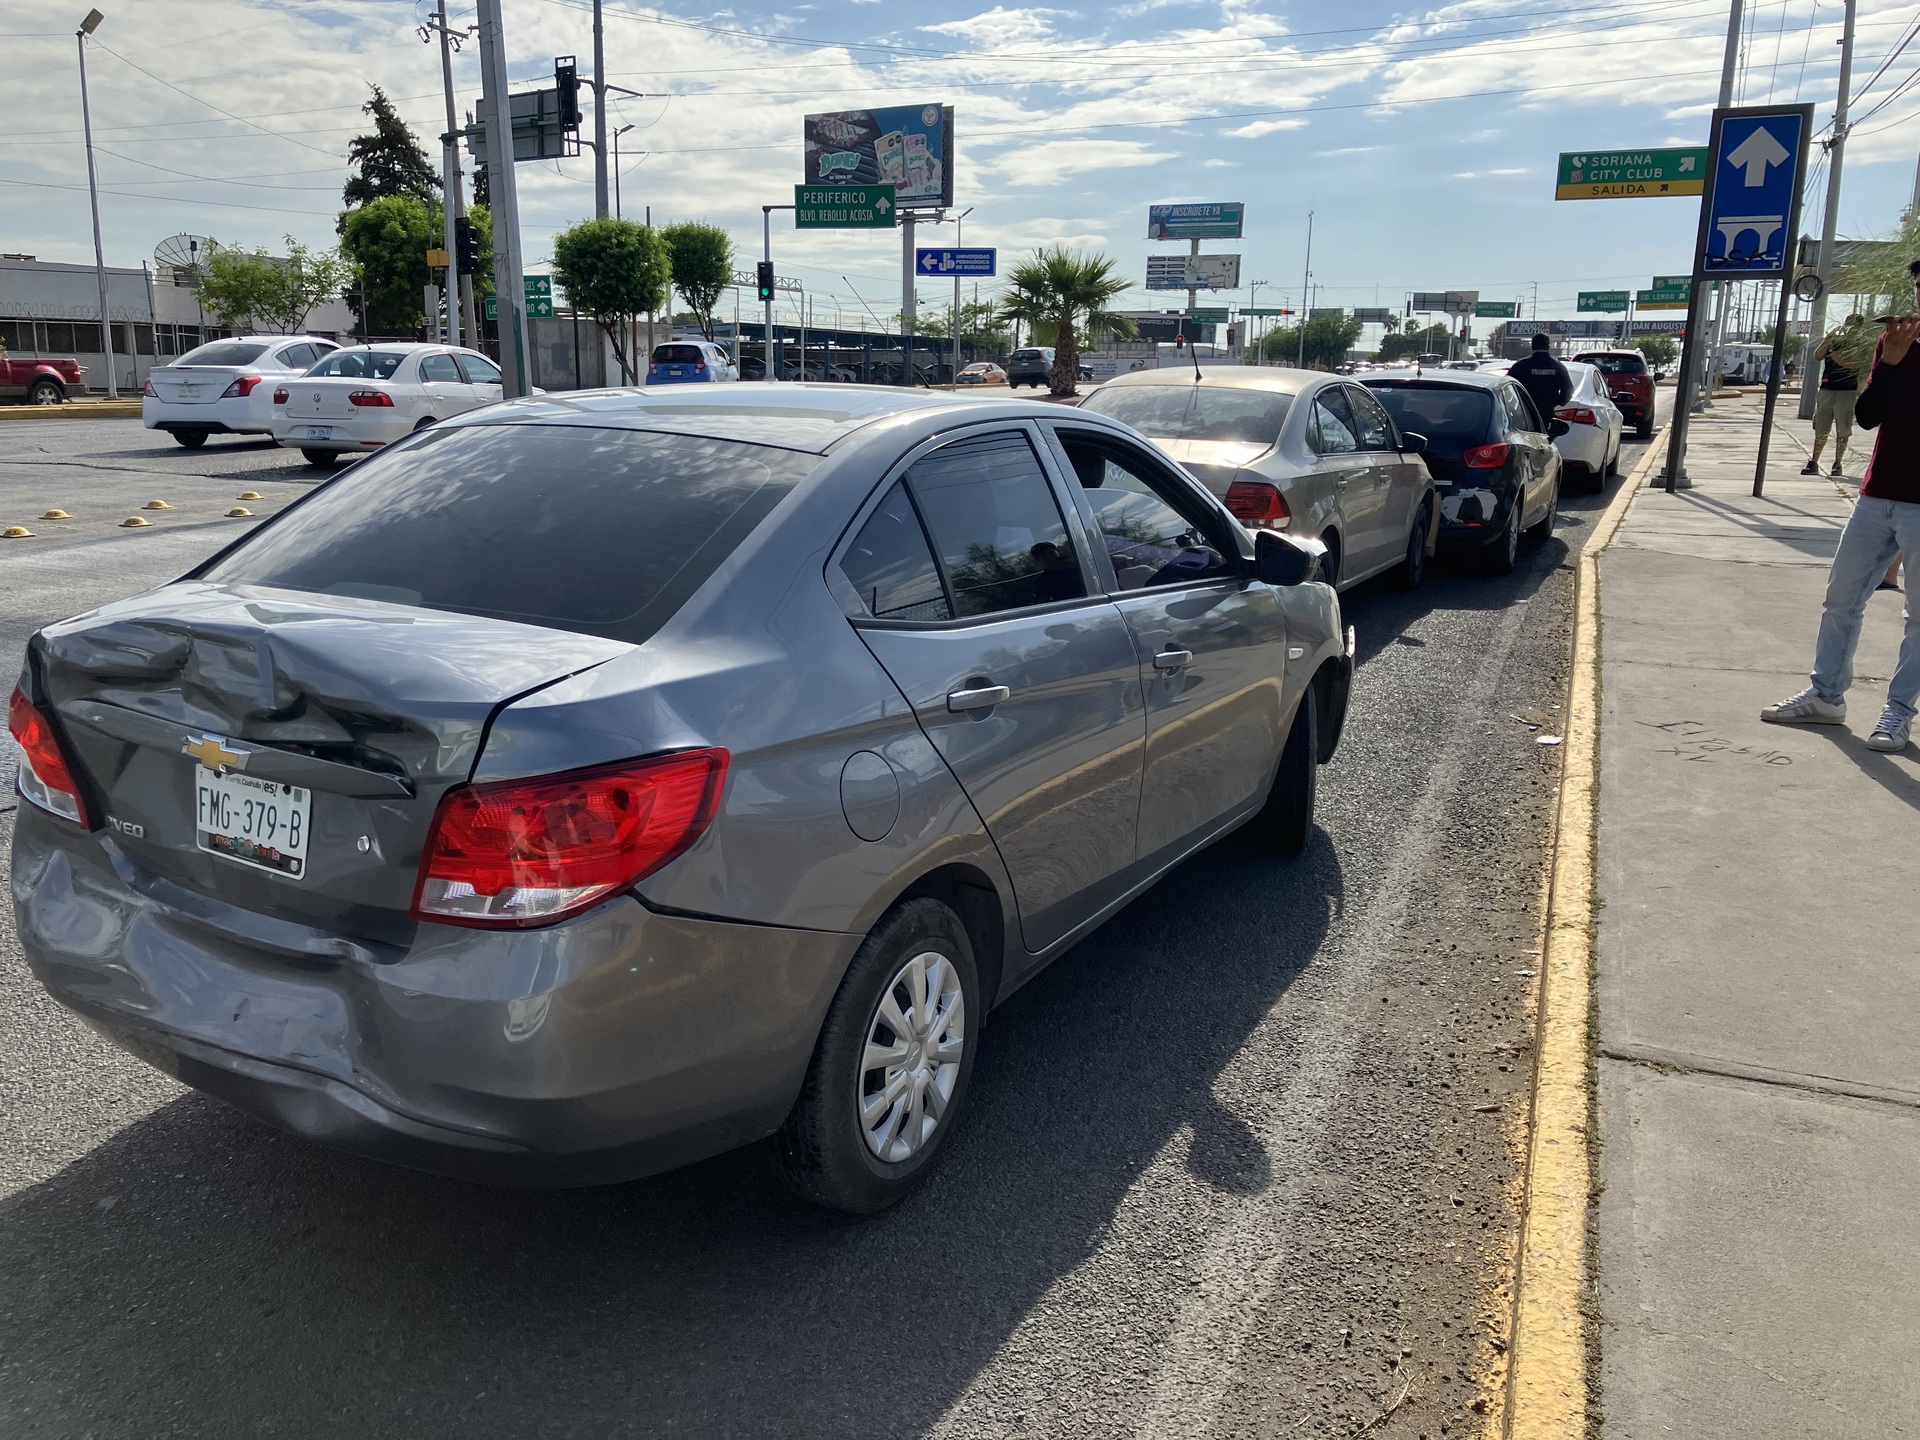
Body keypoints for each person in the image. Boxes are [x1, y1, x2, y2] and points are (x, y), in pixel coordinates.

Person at [1762, 257, 1920, 752]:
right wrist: (1891, 364)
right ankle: (1827, 697)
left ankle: (1899, 711)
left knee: (1919, 616)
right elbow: (1869, 417)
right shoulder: (1893, 343)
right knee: (1841, 599)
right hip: (1878, 494)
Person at [1802, 313, 1866, 476]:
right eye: (1848, 324)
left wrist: (1833, 354)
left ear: (1859, 328)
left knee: (1842, 429)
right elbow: (1817, 355)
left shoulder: (1861, 345)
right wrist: (1828, 338)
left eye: (1853, 325)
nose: (1850, 328)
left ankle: (1837, 463)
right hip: (1827, 389)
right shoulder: (1835, 342)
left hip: (1846, 391)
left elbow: (1851, 364)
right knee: (1821, 428)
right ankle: (1814, 462)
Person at [1508, 333, 1572, 425]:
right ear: (1548, 347)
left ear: (1532, 346)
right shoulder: (1557, 366)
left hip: (1524, 414)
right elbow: (1568, 390)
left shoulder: (1521, 365)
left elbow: (1507, 385)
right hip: (1547, 413)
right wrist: (1557, 402)